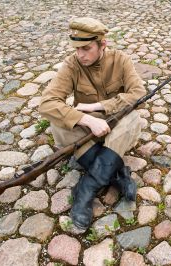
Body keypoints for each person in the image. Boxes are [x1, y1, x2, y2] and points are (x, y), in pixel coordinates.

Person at [39, 17, 146, 230]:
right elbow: (46, 103)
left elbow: (138, 93)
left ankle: (85, 189)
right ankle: (117, 176)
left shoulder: (120, 60)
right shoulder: (72, 65)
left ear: (102, 44)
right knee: (58, 123)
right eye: (76, 48)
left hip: (115, 127)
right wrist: (85, 118)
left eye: (86, 48)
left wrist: (97, 106)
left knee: (133, 118)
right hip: (88, 129)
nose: (80, 54)